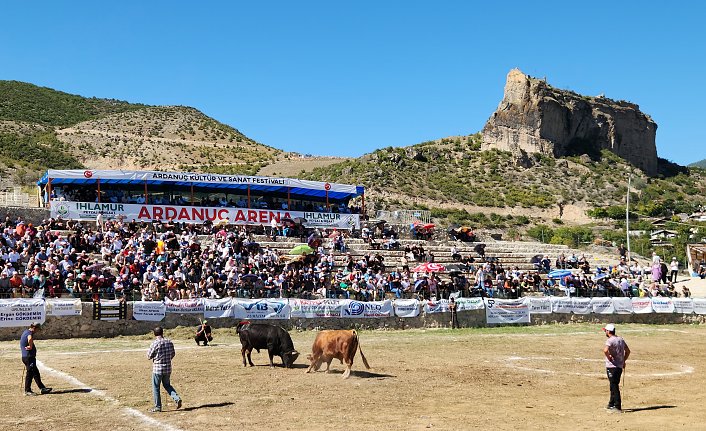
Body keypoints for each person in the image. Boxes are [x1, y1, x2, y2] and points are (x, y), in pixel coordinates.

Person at [147, 326, 182, 412]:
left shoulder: (155, 343)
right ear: (162, 332)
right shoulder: (169, 342)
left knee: (156, 387)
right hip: (168, 368)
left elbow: (148, 356)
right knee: (167, 385)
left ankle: (158, 406)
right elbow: (173, 354)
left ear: (154, 334)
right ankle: (176, 398)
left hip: (157, 369)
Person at [602, 323, 630, 412]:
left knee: (614, 385)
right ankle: (611, 403)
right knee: (613, 384)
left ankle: (617, 406)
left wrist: (609, 357)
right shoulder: (621, 339)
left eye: (605, 331)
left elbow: (605, 350)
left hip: (612, 366)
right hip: (619, 366)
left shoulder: (610, 341)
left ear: (608, 331)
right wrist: (623, 360)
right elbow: (628, 351)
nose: (605, 332)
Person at [20, 323, 52, 396]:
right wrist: (30, 346)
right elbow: (30, 338)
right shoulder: (29, 333)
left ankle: (42, 388)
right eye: (38, 329)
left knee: (35, 372)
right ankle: (27, 390)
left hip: (27, 357)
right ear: (34, 328)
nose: (38, 331)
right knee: (30, 373)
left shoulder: (25, 331)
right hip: (29, 357)